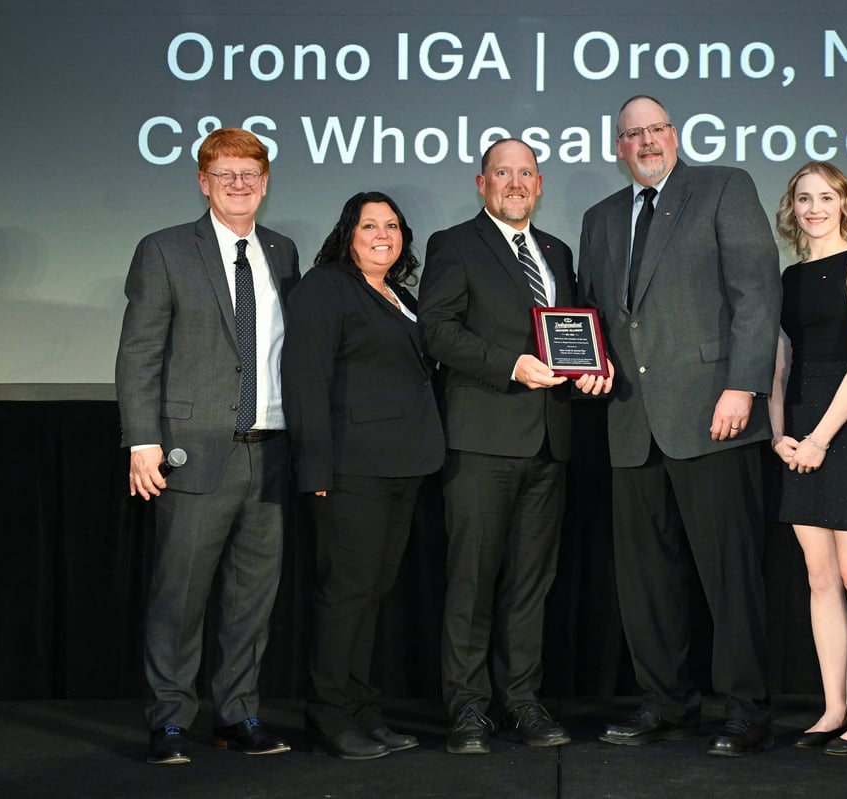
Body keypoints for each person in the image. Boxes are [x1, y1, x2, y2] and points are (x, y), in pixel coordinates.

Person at [578, 95, 780, 757]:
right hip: (631, 421)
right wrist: (588, 363)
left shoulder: (723, 186)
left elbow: (756, 291)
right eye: (631, 135)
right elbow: (596, 314)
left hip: (713, 413)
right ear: (618, 146)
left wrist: (743, 385)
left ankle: (747, 709)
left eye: (655, 130)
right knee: (646, 581)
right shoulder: (601, 217)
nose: (645, 143)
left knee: (730, 575)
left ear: (675, 134)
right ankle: (664, 703)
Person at [418, 138, 613, 755]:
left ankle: (523, 701)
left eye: (525, 173)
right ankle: (469, 709)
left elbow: (571, 336)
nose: (514, 183)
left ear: (540, 182)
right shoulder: (453, 244)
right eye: (502, 173)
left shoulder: (555, 251)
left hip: (550, 441)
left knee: (531, 583)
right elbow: (437, 331)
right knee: (472, 582)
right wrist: (511, 365)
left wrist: (593, 368)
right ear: (482, 183)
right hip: (481, 440)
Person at [115, 128, 299, 765]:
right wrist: (143, 441)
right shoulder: (164, 250)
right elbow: (139, 351)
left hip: (271, 450)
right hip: (192, 451)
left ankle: (237, 714)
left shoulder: (283, 250)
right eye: (225, 174)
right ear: (203, 181)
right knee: (181, 592)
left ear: (266, 181)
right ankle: (169, 720)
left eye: (249, 173)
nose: (239, 185)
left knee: (254, 597)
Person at [282, 192, 445, 759]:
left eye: (393, 225)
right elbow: (305, 378)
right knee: (345, 595)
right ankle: (329, 716)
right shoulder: (327, 286)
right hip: (349, 469)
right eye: (369, 225)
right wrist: (315, 468)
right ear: (347, 234)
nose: (383, 235)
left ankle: (363, 709)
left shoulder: (398, 295)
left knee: (371, 594)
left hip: (401, 467)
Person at [767, 162, 847, 756]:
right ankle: (833, 709)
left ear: (843, 204)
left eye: (825, 197)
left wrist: (820, 436)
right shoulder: (788, 278)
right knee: (819, 577)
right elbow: (780, 364)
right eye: (803, 198)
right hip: (799, 428)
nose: (814, 207)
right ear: (791, 209)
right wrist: (779, 434)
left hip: (846, 426)